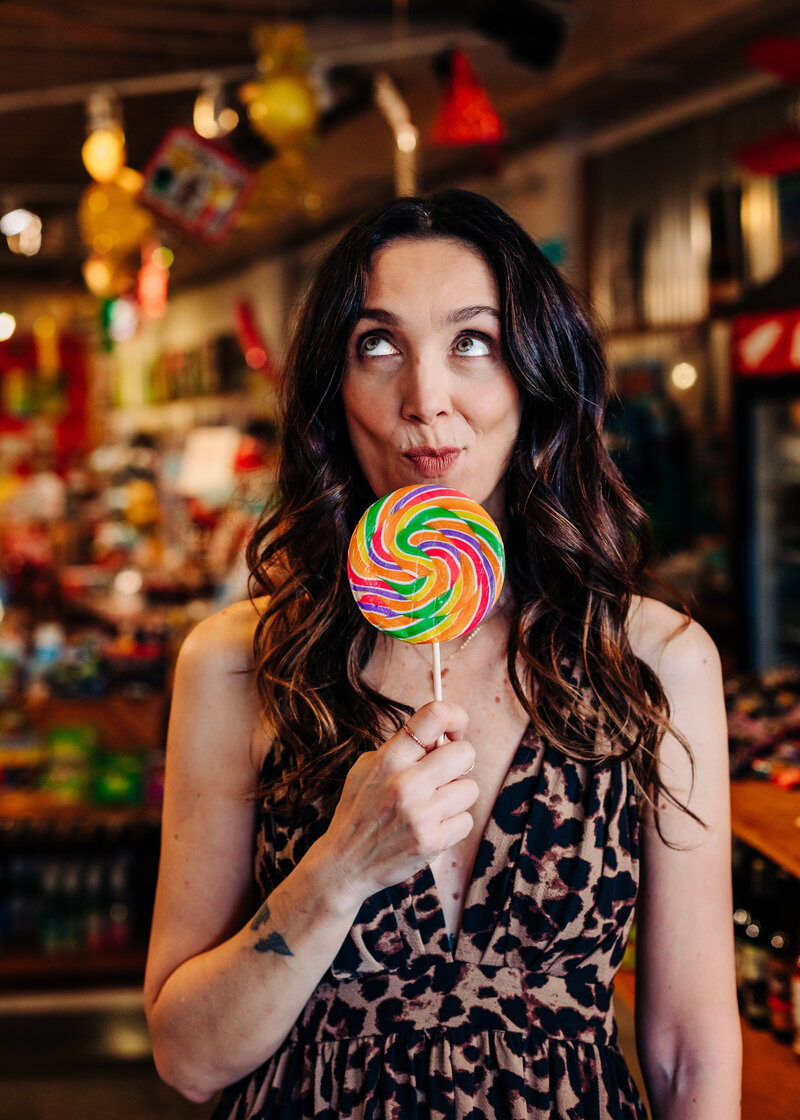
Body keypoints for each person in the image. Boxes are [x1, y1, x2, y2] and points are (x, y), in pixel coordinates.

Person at [144, 189, 742, 1119]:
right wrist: (339, 867)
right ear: (332, 389)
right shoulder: (237, 664)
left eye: (474, 340)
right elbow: (186, 1058)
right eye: (377, 344)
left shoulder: (658, 660)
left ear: (536, 371)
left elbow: (688, 1057)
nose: (427, 399)